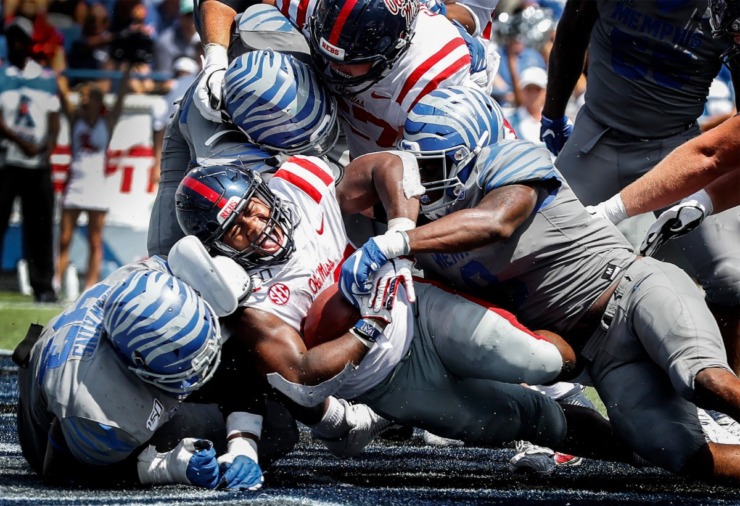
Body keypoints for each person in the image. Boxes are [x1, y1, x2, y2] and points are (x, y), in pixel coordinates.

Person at [341, 85, 740, 481]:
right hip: (601, 356)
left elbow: (497, 222)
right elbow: (346, 189)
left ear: (473, 156)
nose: (423, 184)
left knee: (706, 382)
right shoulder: (419, 216)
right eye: (416, 169)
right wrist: (394, 176)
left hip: (632, 292)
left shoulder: (513, 160)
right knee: (681, 456)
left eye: (433, 167)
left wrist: (398, 240)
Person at [174, 155, 647, 472]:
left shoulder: (300, 185)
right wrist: (366, 328)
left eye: (253, 209)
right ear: (219, 249)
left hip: (418, 310)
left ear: (263, 191)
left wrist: (396, 232)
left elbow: (389, 165)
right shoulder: (248, 298)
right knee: (533, 419)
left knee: (538, 359)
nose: (257, 226)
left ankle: (620, 365)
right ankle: (644, 453)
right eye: (237, 229)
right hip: (387, 383)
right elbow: (300, 376)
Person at [539, 0, 740, 373]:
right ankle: (541, 378)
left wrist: (707, 201)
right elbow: (571, 31)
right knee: (530, 253)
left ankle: (725, 389)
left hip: (676, 151)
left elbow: (731, 144)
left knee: (733, 275)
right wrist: (552, 112)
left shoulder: (724, 10)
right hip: (596, 137)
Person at [13, 250, 272, 489]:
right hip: (54, 435)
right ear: (144, 368)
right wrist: (167, 467)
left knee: (238, 349)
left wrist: (242, 447)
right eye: (181, 357)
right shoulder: (97, 412)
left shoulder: (148, 279)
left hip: (61, 375)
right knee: (276, 427)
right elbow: (62, 472)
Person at [194, 0, 476, 159]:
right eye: (328, 51)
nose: (332, 68)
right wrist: (215, 59)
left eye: (351, 62)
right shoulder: (311, 4)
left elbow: (427, 175)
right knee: (258, 19)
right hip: (330, 130)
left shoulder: (434, 69)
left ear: (398, 46)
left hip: (385, 154)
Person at [147, 48, 338, 257]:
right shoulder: (222, 152)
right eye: (293, 136)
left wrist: (215, 55)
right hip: (199, 141)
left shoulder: (295, 55)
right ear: (252, 136)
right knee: (171, 247)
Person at [588, 113, 740, 258]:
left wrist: (608, 212)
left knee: (727, 275)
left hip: (675, 139)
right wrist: (704, 201)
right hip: (601, 136)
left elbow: (712, 154)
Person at [55, 65, 132, 296]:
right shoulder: (74, 119)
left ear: (98, 101)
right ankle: (56, 281)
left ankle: (90, 285)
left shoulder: (106, 123)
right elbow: (62, 91)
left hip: (97, 186)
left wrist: (126, 70)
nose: (83, 99)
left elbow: (120, 99)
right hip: (75, 182)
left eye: (87, 96)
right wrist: (55, 66)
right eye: (82, 96)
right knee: (65, 237)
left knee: (95, 239)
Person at [0, 17, 60, 303]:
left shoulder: (46, 77)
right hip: (7, 161)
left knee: (40, 226)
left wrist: (49, 145)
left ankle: (43, 285)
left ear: (29, 43)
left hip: (37, 163)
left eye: (20, 39)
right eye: (11, 39)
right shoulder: (1, 73)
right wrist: (19, 140)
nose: (15, 45)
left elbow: (54, 115)